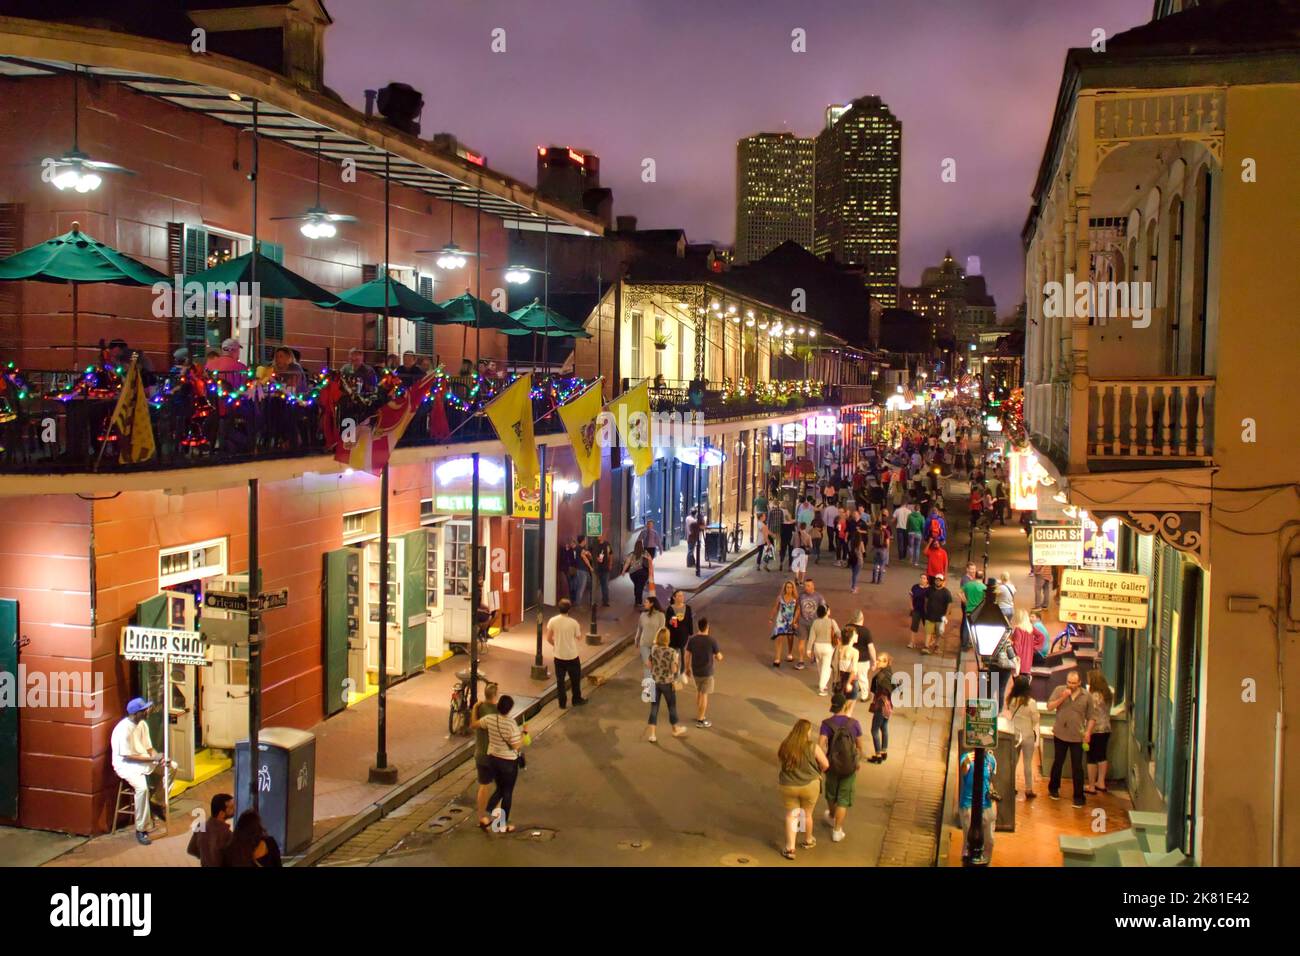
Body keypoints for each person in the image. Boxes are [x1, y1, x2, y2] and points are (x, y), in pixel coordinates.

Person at [111, 697, 162, 844]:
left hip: (144, 759)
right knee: (142, 789)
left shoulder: (143, 724)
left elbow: (149, 748)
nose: (147, 711)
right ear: (135, 713)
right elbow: (129, 756)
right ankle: (141, 829)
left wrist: (157, 756)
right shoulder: (122, 729)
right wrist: (153, 759)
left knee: (172, 767)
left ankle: (157, 801)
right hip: (126, 765)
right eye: (144, 710)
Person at [818, 693, 867, 843]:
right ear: (845, 705)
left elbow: (820, 745)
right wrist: (857, 761)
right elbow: (859, 746)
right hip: (849, 767)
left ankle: (832, 817)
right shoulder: (854, 723)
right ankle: (837, 831)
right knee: (843, 799)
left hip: (831, 765)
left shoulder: (826, 724)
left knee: (832, 794)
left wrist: (821, 763)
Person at [777, 719, 828, 860]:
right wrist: (819, 771)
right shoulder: (812, 747)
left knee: (792, 815)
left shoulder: (786, 745)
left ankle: (790, 848)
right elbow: (826, 764)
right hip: (810, 785)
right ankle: (808, 840)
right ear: (807, 732)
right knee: (806, 814)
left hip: (789, 785)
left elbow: (781, 760)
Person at [1046, 671, 1097, 807]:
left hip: (1077, 737)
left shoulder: (1087, 696)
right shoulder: (1059, 690)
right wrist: (1062, 698)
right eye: (1069, 682)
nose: (1071, 685)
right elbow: (1050, 707)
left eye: (1074, 683)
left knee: (1077, 767)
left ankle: (1079, 796)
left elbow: (1092, 716)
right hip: (1060, 734)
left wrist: (1088, 732)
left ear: (1079, 683)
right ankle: (1053, 788)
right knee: (1058, 762)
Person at [479, 695, 524, 831]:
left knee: (500, 788)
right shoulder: (511, 724)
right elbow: (516, 746)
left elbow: (476, 724)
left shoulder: (490, 719)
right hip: (508, 762)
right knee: (507, 792)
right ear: (509, 709)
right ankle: (502, 824)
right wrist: (525, 733)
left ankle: (487, 814)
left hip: (493, 759)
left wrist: (476, 708)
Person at [643, 626, 689, 742]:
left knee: (654, 708)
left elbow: (648, 664)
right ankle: (675, 729)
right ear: (667, 638)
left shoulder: (654, 649)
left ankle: (652, 735)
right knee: (671, 707)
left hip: (654, 682)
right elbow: (673, 670)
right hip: (667, 683)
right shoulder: (672, 652)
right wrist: (677, 663)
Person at [1002, 675, 1041, 798]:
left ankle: (1011, 786)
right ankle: (1028, 789)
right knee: (1027, 763)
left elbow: (1009, 713)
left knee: (1013, 762)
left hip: (1015, 733)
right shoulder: (1031, 703)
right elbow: (1036, 719)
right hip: (1027, 734)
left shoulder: (1011, 700)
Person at [545, 598, 587, 709]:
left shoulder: (553, 621)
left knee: (560, 681)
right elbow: (579, 637)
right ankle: (576, 699)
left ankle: (562, 703)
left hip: (558, 656)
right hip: (572, 655)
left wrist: (556, 644)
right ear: (569, 609)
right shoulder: (574, 623)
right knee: (575, 679)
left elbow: (548, 638)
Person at [469, 682, 501, 823]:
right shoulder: (498, 711)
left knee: (483, 785)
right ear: (495, 695)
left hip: (480, 753)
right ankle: (497, 813)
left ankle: (482, 816)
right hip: (495, 755)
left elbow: (473, 724)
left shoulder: (480, 708)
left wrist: (475, 707)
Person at [958, 748, 998, 857]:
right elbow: (964, 769)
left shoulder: (991, 759)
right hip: (969, 805)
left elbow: (989, 782)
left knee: (989, 841)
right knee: (969, 842)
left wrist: (993, 803)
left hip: (986, 805)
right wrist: (966, 761)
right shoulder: (967, 757)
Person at [684, 617, 722, 728]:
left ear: (698, 627)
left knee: (699, 692)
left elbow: (687, 655)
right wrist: (718, 656)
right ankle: (701, 719)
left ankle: (699, 714)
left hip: (696, 671)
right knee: (704, 695)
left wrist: (687, 668)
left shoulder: (692, 640)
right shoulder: (712, 641)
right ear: (707, 627)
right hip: (707, 671)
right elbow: (719, 657)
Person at [187, 792, 234, 866]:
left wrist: (205, 856)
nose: (234, 809)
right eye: (231, 808)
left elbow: (191, 850)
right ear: (221, 813)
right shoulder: (228, 835)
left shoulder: (201, 826)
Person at [1085, 669, 1113, 795]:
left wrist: (1087, 732)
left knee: (1091, 757)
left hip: (1095, 730)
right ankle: (1101, 782)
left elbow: (1092, 715)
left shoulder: (1093, 696)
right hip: (1106, 728)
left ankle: (1091, 786)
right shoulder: (1108, 694)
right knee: (1102, 755)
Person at [866, 652, 896, 763]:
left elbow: (878, 690)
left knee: (874, 730)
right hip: (889, 705)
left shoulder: (881, 677)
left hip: (881, 705)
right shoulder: (889, 673)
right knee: (884, 727)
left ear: (886, 662)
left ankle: (878, 755)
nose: (877, 662)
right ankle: (884, 752)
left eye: (879, 660)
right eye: (877, 659)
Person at [808, 604, 838, 696]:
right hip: (828, 647)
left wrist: (808, 649)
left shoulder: (815, 622)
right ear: (826, 611)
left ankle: (823, 684)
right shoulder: (832, 621)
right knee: (826, 667)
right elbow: (838, 632)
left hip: (817, 646)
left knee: (820, 665)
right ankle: (822, 687)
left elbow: (811, 637)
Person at [769, 579, 800, 667]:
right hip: (780, 620)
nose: (789, 589)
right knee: (779, 638)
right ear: (785, 588)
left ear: (793, 589)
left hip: (790, 621)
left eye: (790, 587)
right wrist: (771, 618)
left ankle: (790, 653)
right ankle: (777, 658)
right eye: (787, 587)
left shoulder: (796, 599)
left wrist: (795, 620)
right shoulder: (780, 597)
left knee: (790, 638)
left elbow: (798, 610)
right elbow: (775, 608)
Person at [635, 596, 666, 678]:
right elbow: (639, 628)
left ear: (652, 604)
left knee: (655, 665)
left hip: (655, 645)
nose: (644, 603)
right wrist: (637, 639)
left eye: (646, 602)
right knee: (647, 665)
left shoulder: (660, 615)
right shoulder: (643, 615)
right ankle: (649, 686)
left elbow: (662, 631)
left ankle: (655, 684)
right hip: (644, 643)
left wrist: (660, 644)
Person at [794, 578, 822, 670]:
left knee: (814, 642)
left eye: (808, 585)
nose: (806, 587)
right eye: (805, 585)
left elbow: (824, 609)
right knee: (801, 641)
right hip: (802, 622)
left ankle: (814, 657)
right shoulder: (801, 596)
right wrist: (794, 621)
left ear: (813, 586)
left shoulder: (818, 597)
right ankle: (801, 661)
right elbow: (798, 608)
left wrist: (823, 622)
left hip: (814, 623)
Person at [922, 573, 953, 656]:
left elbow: (949, 604)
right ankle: (926, 647)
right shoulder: (930, 589)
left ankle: (936, 646)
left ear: (943, 581)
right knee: (928, 632)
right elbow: (926, 599)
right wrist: (925, 609)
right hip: (930, 616)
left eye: (940, 580)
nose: (938, 582)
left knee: (939, 633)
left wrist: (946, 616)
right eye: (936, 580)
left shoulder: (946, 592)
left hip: (940, 617)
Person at [831, 629, 860, 713]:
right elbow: (854, 670)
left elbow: (834, 665)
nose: (857, 635)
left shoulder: (838, 648)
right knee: (848, 710)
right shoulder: (854, 652)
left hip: (840, 680)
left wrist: (835, 681)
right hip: (851, 682)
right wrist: (848, 683)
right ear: (851, 637)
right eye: (855, 634)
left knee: (838, 708)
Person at [665, 589, 694, 673]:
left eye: (682, 595)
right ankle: (674, 672)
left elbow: (689, 620)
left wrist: (690, 632)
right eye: (679, 596)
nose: (682, 597)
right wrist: (670, 623)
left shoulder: (688, 608)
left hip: (684, 635)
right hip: (673, 636)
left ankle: (682, 672)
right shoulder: (670, 609)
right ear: (674, 598)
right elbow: (667, 623)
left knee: (683, 654)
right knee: (674, 656)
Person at [622, 541, 653, 606]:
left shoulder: (631, 554)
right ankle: (638, 601)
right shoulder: (645, 553)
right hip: (643, 573)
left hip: (633, 573)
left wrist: (623, 571)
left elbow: (627, 563)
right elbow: (650, 562)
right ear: (642, 546)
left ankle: (637, 599)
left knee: (636, 585)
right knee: (640, 587)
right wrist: (651, 571)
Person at [1010, 609, 1037, 678]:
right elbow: (1041, 637)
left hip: (1020, 660)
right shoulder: (1030, 628)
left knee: (1018, 682)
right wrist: (1034, 647)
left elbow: (1017, 644)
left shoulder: (1018, 629)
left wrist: (1011, 643)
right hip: (1028, 659)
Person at [908, 572, 929, 650]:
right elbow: (911, 596)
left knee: (927, 627)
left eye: (924, 578)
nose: (922, 579)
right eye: (921, 578)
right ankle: (912, 642)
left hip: (926, 611)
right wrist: (911, 605)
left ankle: (928, 642)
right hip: (916, 609)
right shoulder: (915, 587)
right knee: (914, 626)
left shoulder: (929, 589)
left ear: (927, 580)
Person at [571, 534, 593, 607]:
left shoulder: (580, 548)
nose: (586, 541)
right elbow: (585, 558)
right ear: (583, 540)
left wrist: (588, 554)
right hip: (582, 570)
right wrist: (590, 567)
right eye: (585, 539)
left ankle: (578, 602)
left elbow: (588, 555)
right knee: (581, 587)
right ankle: (577, 604)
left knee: (584, 585)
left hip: (581, 570)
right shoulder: (579, 548)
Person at [593, 532, 613, 607]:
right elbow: (591, 554)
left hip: (605, 568)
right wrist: (596, 558)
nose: (599, 536)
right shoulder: (594, 544)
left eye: (600, 535)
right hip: (596, 568)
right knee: (595, 586)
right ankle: (594, 602)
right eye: (598, 535)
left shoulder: (607, 544)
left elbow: (611, 554)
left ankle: (605, 601)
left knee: (605, 585)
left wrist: (610, 564)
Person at [871, 514, 891, 584]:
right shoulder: (886, 531)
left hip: (876, 549)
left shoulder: (875, 531)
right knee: (882, 565)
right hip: (883, 549)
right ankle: (879, 580)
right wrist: (887, 549)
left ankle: (873, 579)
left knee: (875, 564)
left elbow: (873, 541)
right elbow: (887, 542)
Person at [847, 520, 865, 593]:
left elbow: (848, 549)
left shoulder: (850, 542)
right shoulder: (860, 542)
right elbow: (863, 550)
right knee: (856, 574)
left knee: (854, 574)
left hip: (852, 559)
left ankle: (853, 586)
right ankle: (854, 587)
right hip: (859, 559)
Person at [790, 522, 811, 586]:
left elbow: (791, 543)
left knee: (796, 567)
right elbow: (810, 545)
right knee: (803, 567)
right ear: (805, 527)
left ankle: (796, 579)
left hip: (796, 552)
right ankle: (801, 581)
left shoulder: (795, 534)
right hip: (804, 553)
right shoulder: (808, 535)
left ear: (799, 527)